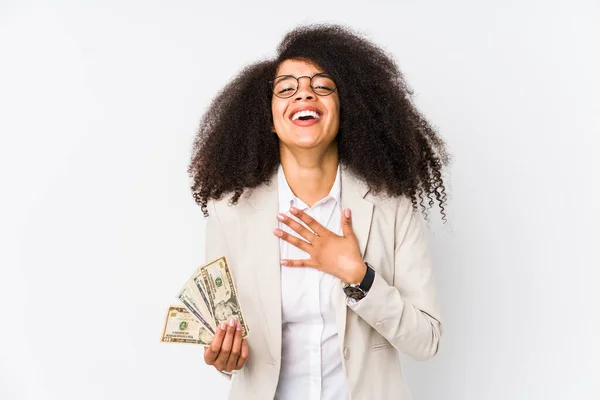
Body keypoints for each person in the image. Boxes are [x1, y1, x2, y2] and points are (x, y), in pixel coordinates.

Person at [188, 24, 449, 400]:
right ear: (268, 117)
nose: (304, 94)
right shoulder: (231, 211)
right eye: (286, 88)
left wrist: (358, 276)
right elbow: (228, 346)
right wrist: (225, 358)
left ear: (346, 109)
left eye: (322, 86)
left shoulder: (391, 206)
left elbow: (426, 340)